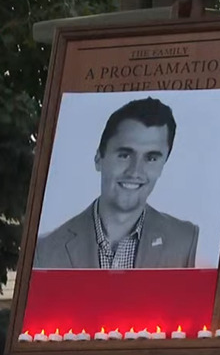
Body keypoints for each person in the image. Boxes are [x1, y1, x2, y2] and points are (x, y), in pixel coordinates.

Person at [34, 96, 199, 269]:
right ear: (99, 158)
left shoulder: (185, 242)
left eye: (151, 158)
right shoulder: (46, 250)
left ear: (163, 165)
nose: (135, 172)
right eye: (124, 155)